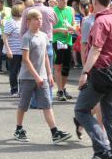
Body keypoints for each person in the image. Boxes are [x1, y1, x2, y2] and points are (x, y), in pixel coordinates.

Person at [75, 0, 112, 159]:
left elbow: (95, 49)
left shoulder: (100, 22)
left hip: (101, 74)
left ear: (94, 2)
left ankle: (102, 149)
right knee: (111, 117)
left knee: (81, 110)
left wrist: (85, 72)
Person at [13, 9, 71, 144]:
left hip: (43, 77)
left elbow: (45, 55)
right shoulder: (26, 37)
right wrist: (36, 76)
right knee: (23, 105)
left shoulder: (44, 36)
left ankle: (55, 132)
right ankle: (18, 129)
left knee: (47, 104)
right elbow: (26, 60)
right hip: (27, 77)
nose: (40, 21)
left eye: (40, 19)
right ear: (28, 22)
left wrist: (49, 74)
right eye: (36, 19)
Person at [73, 0, 104, 140]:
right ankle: (100, 132)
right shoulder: (88, 21)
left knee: (98, 101)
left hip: (103, 65)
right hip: (93, 65)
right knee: (97, 101)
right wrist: (85, 69)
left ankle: (81, 123)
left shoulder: (104, 20)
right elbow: (84, 46)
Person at [21, 0, 57, 106]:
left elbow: (22, 30)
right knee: (47, 72)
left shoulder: (27, 11)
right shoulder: (49, 10)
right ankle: (47, 100)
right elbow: (55, 22)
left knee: (32, 72)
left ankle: (35, 101)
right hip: (47, 42)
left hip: (31, 43)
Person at [53, 0, 77, 101]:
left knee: (66, 68)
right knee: (58, 66)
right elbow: (48, 30)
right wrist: (60, 30)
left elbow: (74, 23)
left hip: (68, 41)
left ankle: (63, 88)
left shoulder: (70, 10)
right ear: (57, 0)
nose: (65, 1)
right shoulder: (53, 11)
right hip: (57, 42)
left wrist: (73, 29)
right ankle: (59, 90)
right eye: (62, 0)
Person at [3, 3, 24, 96]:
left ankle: (22, 90)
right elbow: (5, 36)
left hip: (23, 50)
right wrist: (8, 50)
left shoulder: (23, 21)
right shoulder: (10, 22)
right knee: (14, 71)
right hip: (13, 51)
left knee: (23, 71)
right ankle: (14, 90)